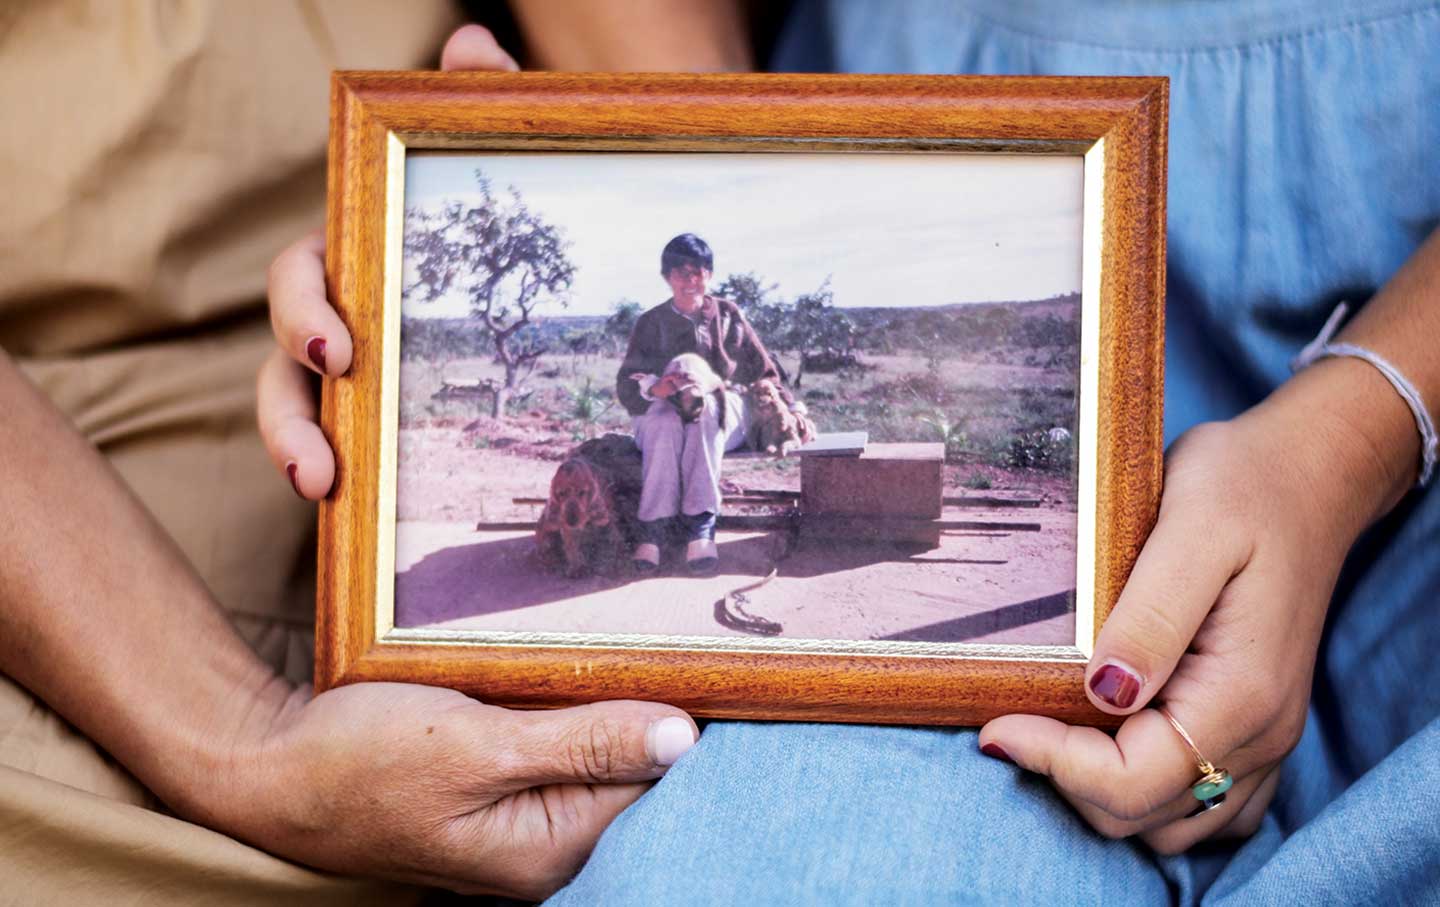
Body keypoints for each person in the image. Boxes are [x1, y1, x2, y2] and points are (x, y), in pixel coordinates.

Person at [0, 8, 700, 903]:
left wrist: (395, 240)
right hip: (77, 583)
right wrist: (245, 735)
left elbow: (686, 102)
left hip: (337, 365)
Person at [615, 234, 799, 574]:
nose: (690, 281)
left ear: (709, 275)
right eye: (680, 273)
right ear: (667, 277)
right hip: (662, 408)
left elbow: (767, 374)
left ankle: (700, 525)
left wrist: (792, 410)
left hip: (722, 410)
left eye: (698, 272)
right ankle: (653, 529)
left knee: (705, 413)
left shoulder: (728, 316)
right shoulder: (650, 322)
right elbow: (626, 385)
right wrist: (657, 389)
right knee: (663, 421)